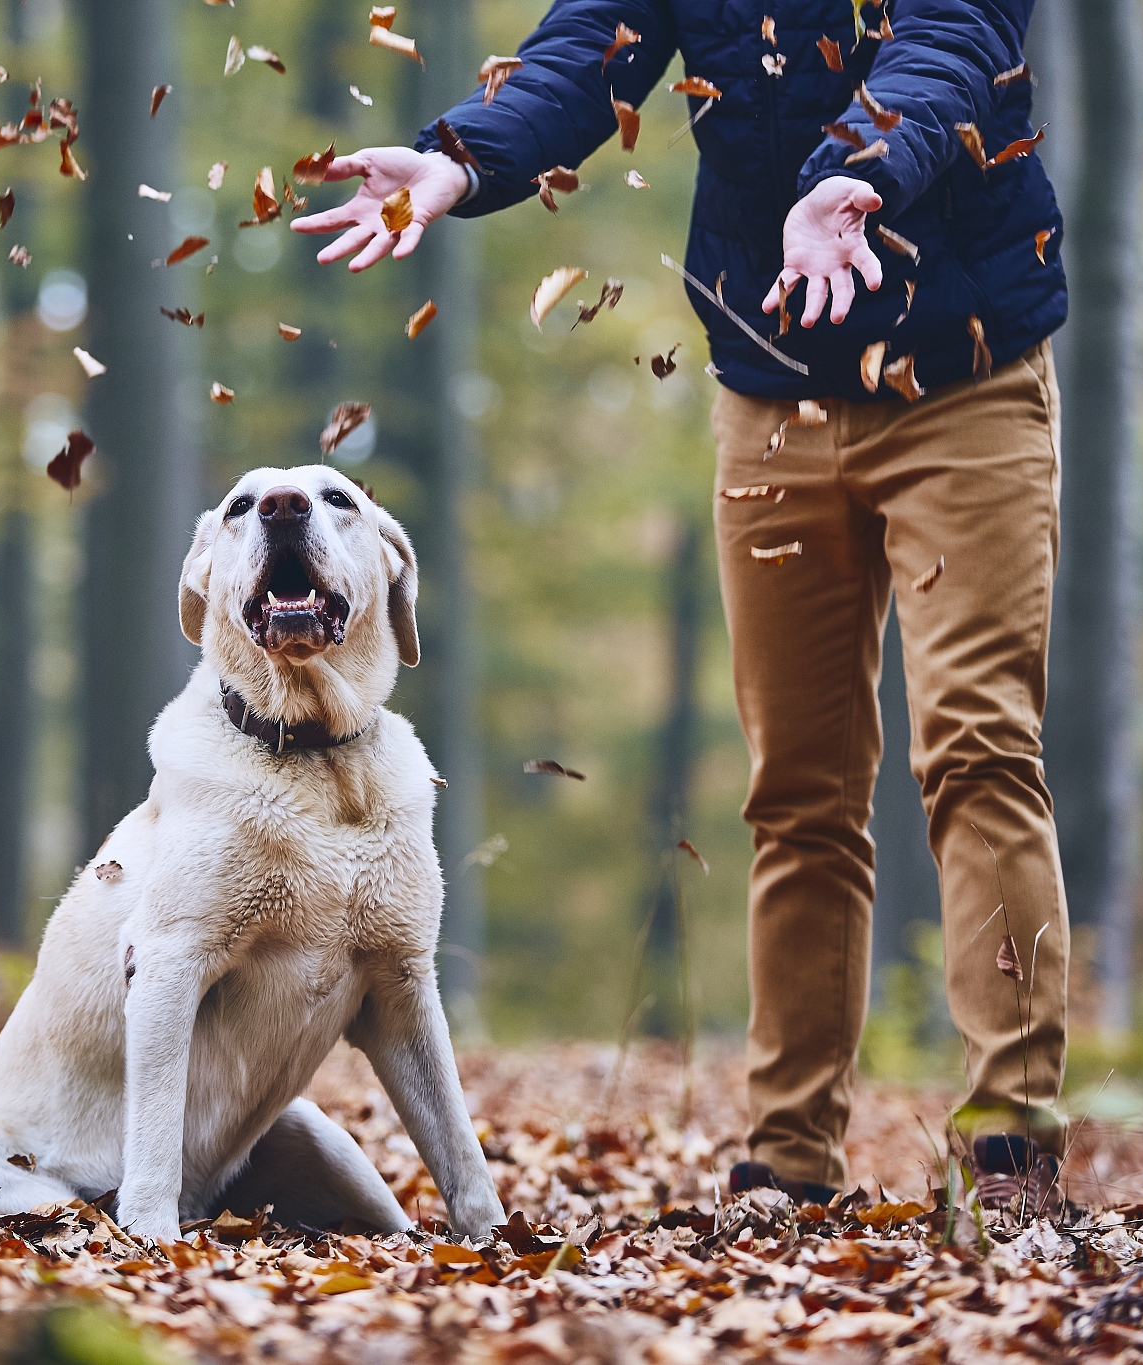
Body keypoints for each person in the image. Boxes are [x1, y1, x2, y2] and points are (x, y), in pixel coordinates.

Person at [292, 0, 1069, 1211]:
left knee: (975, 746)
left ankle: (1012, 1150)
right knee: (799, 788)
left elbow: (951, 42)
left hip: (960, 382)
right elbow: (579, 52)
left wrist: (849, 174)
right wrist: (461, 155)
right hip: (769, 393)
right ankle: (787, 1159)